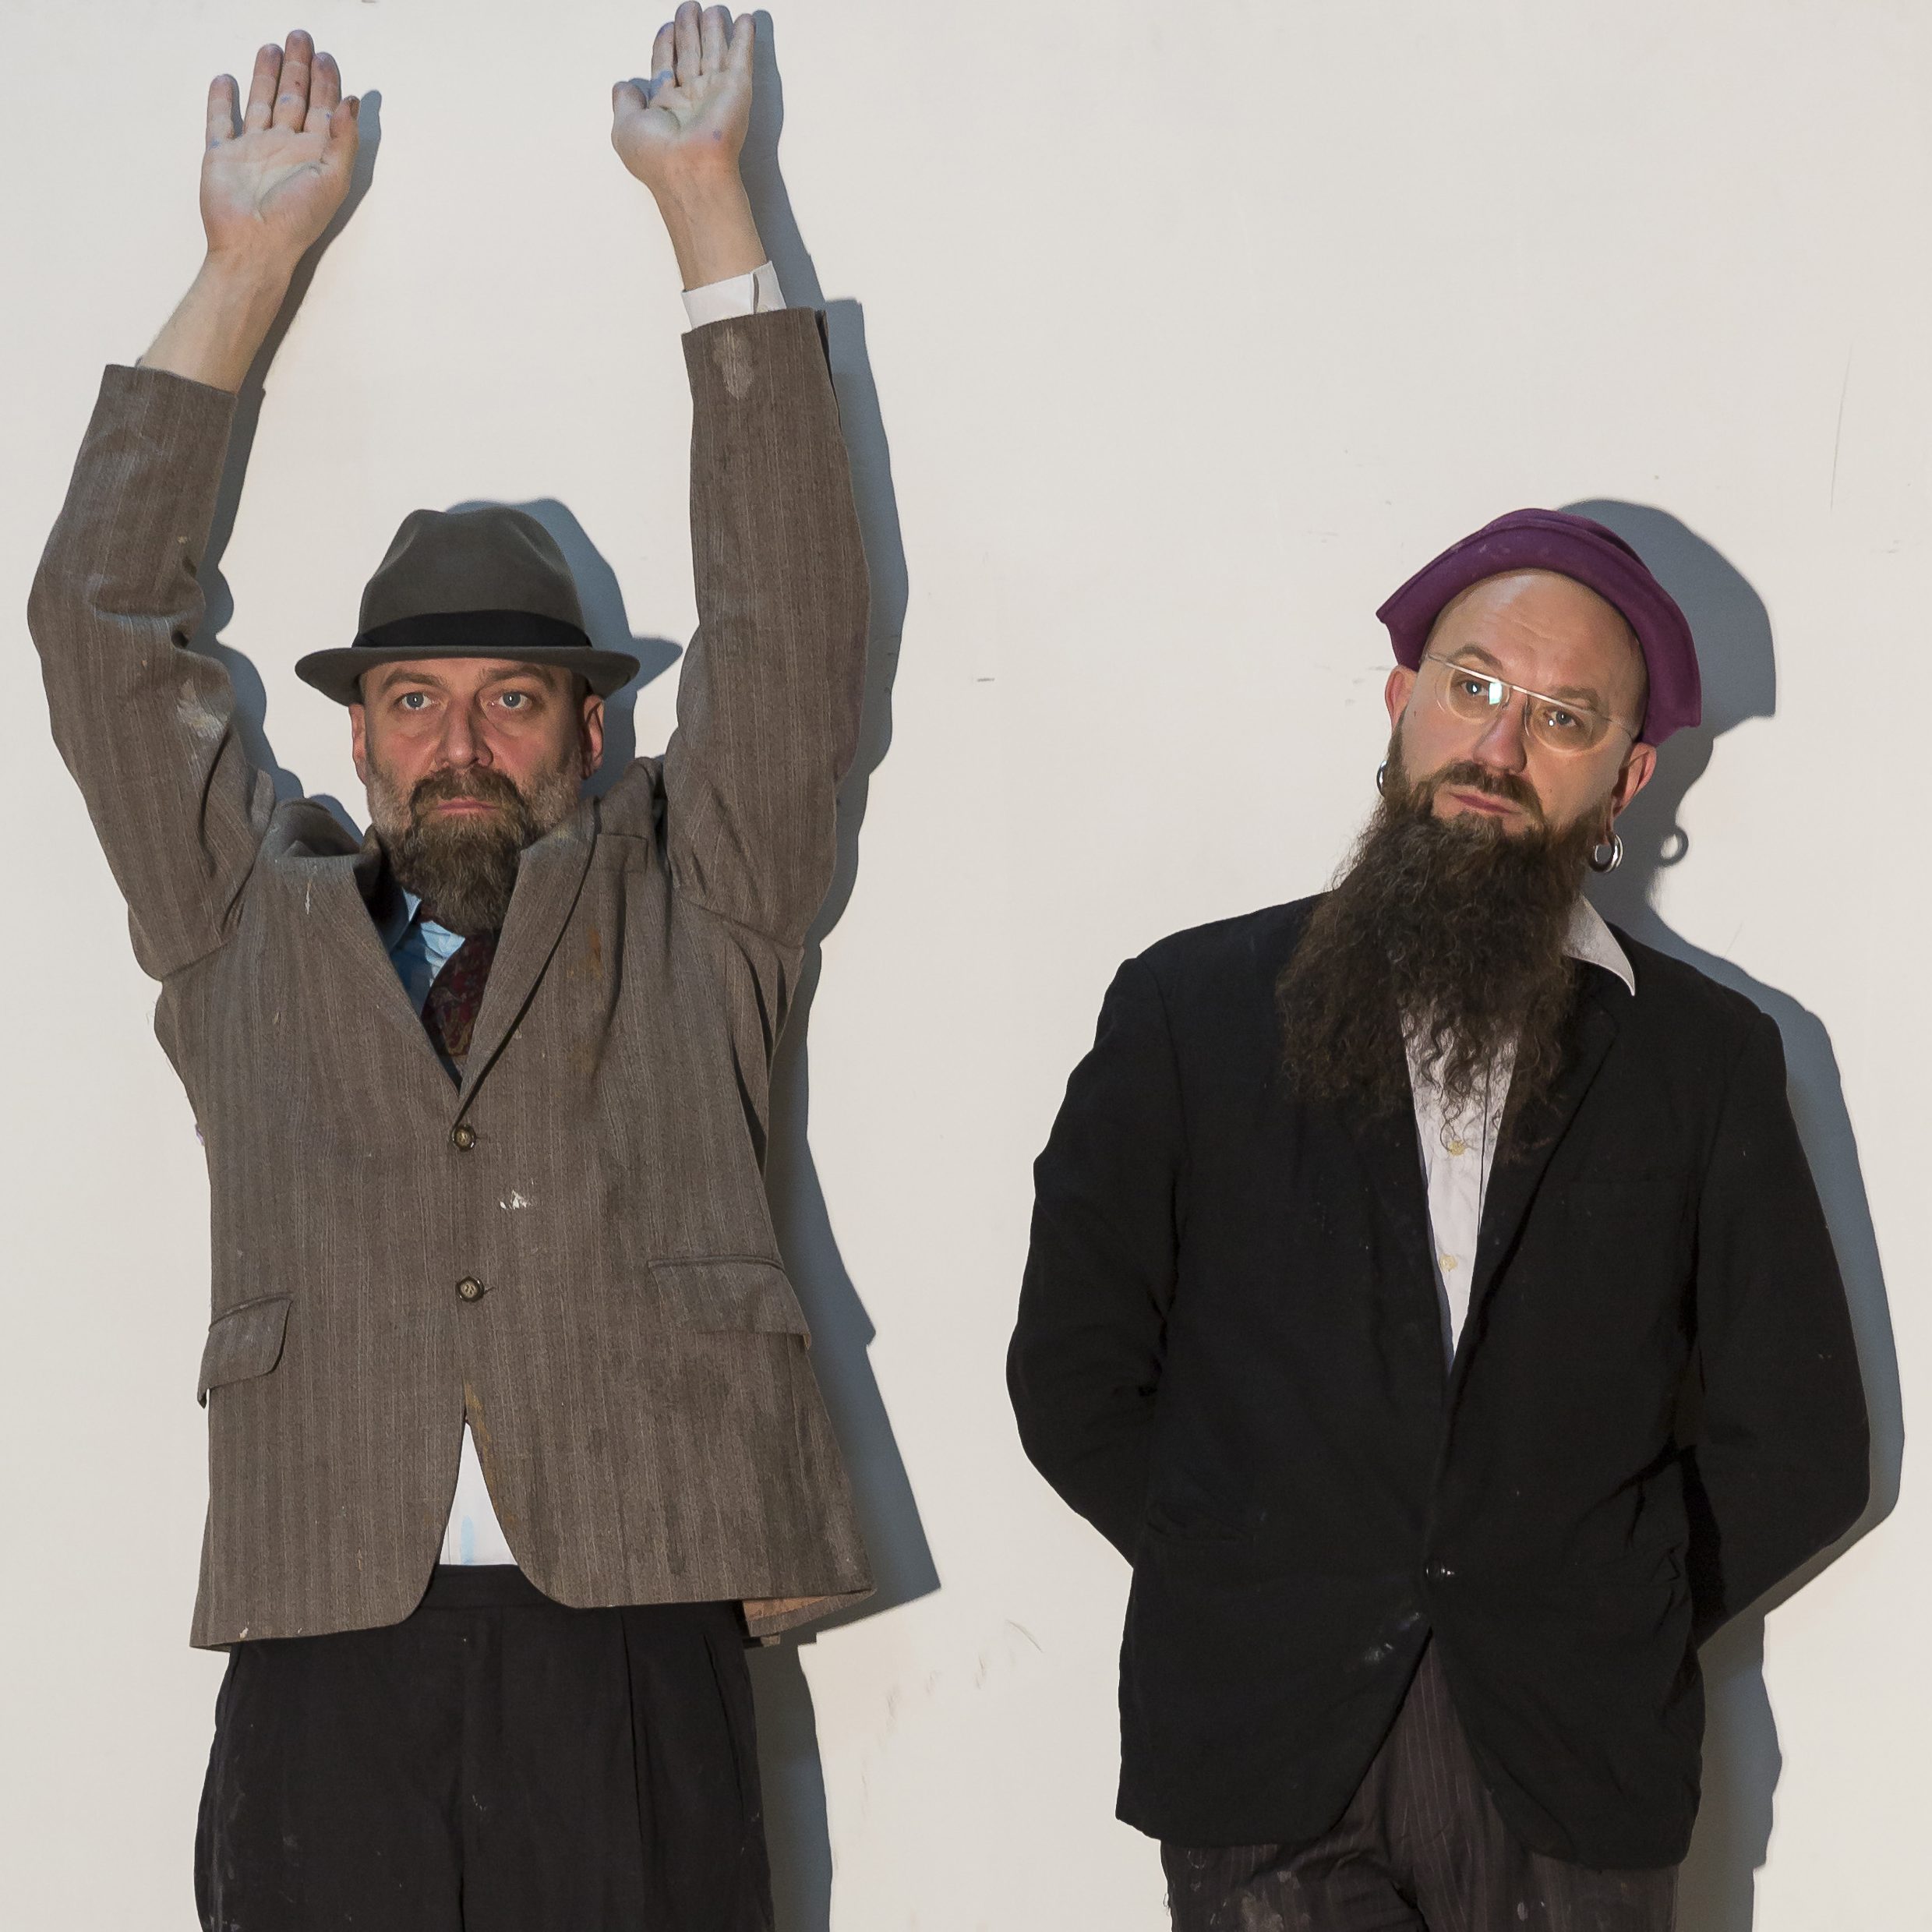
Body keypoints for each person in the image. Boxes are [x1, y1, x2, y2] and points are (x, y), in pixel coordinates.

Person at [30, 12, 871, 1928]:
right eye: (415, 701)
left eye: (515, 699)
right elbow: (96, 628)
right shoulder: (241, 922)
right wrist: (245, 264)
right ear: (359, 736)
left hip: (637, 1629)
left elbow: (794, 616)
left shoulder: (708, 893)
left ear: (592, 732)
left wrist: (710, 209)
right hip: (326, 1634)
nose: (462, 743)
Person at [1008, 509, 1870, 1930]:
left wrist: (1611, 1607)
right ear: (1403, 700)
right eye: (1474, 687)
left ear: (1626, 778)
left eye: (1563, 717)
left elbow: (1804, 1446)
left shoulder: (1707, 1058)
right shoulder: (1186, 1010)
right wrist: (1252, 1577)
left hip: (1573, 1770)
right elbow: (1073, 1373)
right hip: (1261, 1754)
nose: (1500, 744)